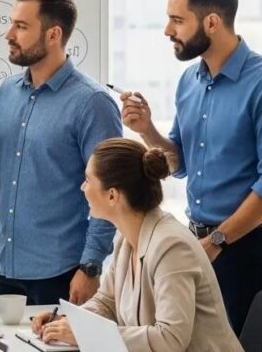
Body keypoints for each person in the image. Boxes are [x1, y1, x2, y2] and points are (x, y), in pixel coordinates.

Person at [121, 0, 262, 333]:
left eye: (177, 20)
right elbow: (180, 164)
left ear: (213, 22)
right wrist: (146, 130)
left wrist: (218, 241)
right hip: (198, 241)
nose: (168, 31)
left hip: (249, 250)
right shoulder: (190, 80)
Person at [0, 0, 121, 306]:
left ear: (53, 35)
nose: (8, 35)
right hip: (3, 270)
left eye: (20, 26)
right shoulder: (7, 92)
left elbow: (111, 192)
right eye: (11, 23)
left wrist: (91, 266)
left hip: (60, 275)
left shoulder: (93, 103)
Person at [31, 138, 243, 351]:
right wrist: (69, 322)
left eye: (87, 180)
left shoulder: (171, 246)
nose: (82, 187)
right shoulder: (127, 239)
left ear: (112, 195)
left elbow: (170, 338)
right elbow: (107, 303)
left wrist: (85, 333)